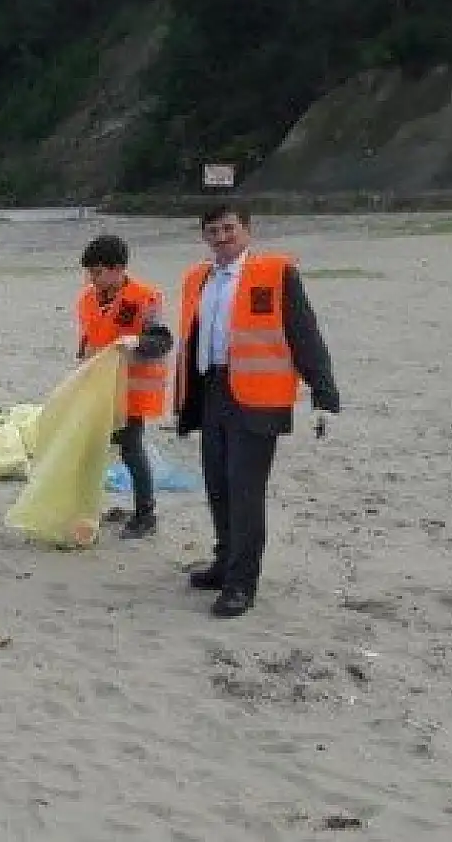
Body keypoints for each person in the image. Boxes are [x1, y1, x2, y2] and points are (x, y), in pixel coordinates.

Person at [174, 207, 340, 618]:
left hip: (257, 397)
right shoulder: (198, 278)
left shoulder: (276, 273)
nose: (221, 237)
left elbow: (304, 333)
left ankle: (241, 584)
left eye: (229, 229)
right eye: (212, 231)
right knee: (217, 486)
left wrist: (324, 393)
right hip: (212, 391)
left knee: (245, 492)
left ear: (247, 231)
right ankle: (224, 561)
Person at [76, 234, 174, 539]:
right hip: (99, 389)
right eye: (90, 273)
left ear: (118, 269)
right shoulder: (87, 299)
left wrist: (138, 343)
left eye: (98, 272)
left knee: (131, 450)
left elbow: (163, 341)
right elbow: (89, 339)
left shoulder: (146, 297)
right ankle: (88, 508)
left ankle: (146, 513)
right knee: (93, 450)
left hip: (131, 391)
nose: (92, 279)